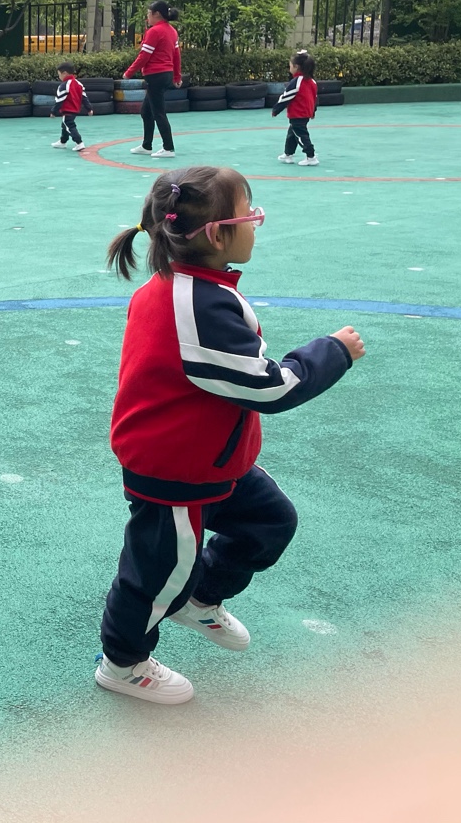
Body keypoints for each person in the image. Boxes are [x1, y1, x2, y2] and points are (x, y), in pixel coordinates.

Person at [97, 166, 364, 704]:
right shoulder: (196, 304)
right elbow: (269, 387)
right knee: (155, 576)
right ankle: (122, 663)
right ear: (218, 234)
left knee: (269, 521)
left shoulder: (198, 288)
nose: (256, 225)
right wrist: (333, 352)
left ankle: (202, 597)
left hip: (214, 459)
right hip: (175, 469)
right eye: (250, 215)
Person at [124, 1, 182, 159]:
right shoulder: (172, 31)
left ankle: (168, 148)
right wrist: (177, 76)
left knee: (159, 112)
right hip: (166, 74)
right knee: (146, 111)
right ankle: (146, 145)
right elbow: (176, 56)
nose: (147, 17)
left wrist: (129, 72)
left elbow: (144, 56)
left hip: (155, 75)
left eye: (149, 14)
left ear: (157, 14)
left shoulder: (154, 31)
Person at [273, 50, 319, 167]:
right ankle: (288, 154)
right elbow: (314, 98)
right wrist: (313, 111)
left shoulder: (297, 82)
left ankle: (311, 156)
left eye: (290, 66)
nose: (289, 68)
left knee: (300, 135)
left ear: (296, 67)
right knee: (292, 133)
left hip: (298, 113)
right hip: (305, 113)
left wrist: (276, 109)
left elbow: (286, 96)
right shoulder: (312, 81)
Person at [50, 61, 86, 151]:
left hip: (68, 110)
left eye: (59, 75)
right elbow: (84, 97)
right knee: (64, 125)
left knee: (69, 125)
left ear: (64, 73)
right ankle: (63, 141)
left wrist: (53, 111)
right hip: (75, 109)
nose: (59, 77)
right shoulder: (78, 83)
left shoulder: (64, 85)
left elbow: (60, 100)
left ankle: (79, 142)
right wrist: (89, 108)